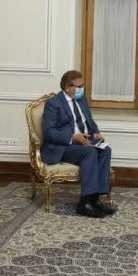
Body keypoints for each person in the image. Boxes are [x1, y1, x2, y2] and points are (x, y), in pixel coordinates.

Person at [41, 70, 115, 218]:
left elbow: (89, 121)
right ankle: (84, 203)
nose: (82, 89)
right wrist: (72, 137)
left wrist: (95, 133)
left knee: (105, 150)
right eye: (79, 86)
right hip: (64, 146)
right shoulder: (53, 104)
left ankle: (95, 199)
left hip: (83, 141)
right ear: (67, 87)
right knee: (90, 152)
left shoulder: (81, 99)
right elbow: (48, 132)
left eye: (83, 86)